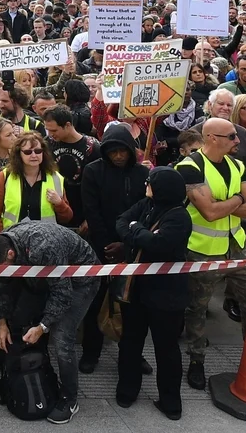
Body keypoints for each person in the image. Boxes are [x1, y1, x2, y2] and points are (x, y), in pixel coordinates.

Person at [0, 220, 100, 425]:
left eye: (2, 269)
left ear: (10, 255)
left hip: (80, 281)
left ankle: (70, 399)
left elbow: (62, 294)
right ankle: (23, 376)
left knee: (62, 337)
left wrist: (43, 327)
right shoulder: (5, 241)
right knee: (18, 319)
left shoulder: (44, 246)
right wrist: (1, 323)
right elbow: (3, 284)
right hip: (43, 275)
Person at [179, 117, 246, 389]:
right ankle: (196, 360)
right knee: (197, 308)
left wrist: (227, 202)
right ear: (212, 137)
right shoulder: (190, 167)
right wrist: (239, 198)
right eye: (231, 136)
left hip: (238, 247)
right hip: (203, 251)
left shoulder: (237, 165)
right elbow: (209, 213)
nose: (238, 141)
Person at [112, 167, 192, 421]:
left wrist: (136, 232)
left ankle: (170, 402)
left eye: (150, 183)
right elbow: (121, 221)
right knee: (130, 342)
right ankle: (127, 390)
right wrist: (139, 232)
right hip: (136, 291)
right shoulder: (146, 204)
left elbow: (158, 245)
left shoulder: (179, 216)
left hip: (167, 296)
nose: (146, 186)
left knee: (166, 349)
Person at [78, 122, 148, 374]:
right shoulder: (93, 171)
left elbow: (144, 212)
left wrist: (127, 243)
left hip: (131, 247)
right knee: (95, 301)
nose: (118, 156)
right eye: (113, 151)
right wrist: (108, 244)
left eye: (123, 151)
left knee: (131, 305)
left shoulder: (141, 174)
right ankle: (90, 351)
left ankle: (132, 353)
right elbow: (92, 211)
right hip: (100, 247)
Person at [0, 131, 72, 232]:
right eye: (28, 152)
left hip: (46, 241)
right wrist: (2, 241)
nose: (34, 155)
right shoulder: (5, 176)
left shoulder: (55, 178)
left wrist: (59, 203)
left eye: (38, 151)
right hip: (12, 240)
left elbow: (67, 218)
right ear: (19, 154)